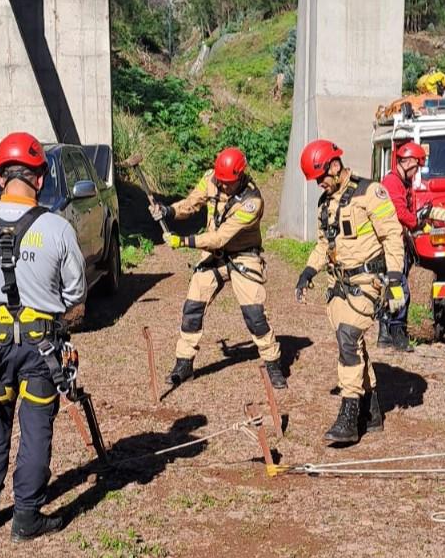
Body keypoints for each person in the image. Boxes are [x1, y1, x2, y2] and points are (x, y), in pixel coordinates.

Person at [0, 132, 86, 542]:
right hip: (40, 347)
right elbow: (76, 292)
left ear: (0, 177)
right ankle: (26, 516)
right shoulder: (57, 227)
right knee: (35, 429)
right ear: (41, 178)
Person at [294, 139, 405, 445]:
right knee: (352, 344)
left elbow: (392, 236)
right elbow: (324, 244)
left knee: (348, 338)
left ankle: (349, 415)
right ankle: (372, 411)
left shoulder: (370, 193)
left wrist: (395, 279)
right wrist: (308, 271)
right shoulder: (325, 203)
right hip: (339, 285)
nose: (319, 183)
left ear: (335, 166)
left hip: (368, 282)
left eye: (321, 177)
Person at [150, 147, 287, 390]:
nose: (222, 186)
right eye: (220, 181)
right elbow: (192, 203)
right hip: (214, 256)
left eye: (228, 182)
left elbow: (219, 238)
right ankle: (184, 363)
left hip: (243, 256)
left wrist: (183, 241)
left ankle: (273, 363)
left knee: (254, 314)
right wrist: (168, 210)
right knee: (192, 307)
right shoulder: (211, 179)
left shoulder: (252, 202)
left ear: (240, 176)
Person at [379, 141, 445, 351]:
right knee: (399, 287)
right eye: (417, 166)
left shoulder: (403, 182)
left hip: (398, 240)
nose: (417, 171)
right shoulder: (392, 183)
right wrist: (416, 222)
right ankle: (397, 332)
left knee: (393, 286)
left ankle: (385, 334)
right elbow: (400, 212)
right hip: (393, 242)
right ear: (409, 161)